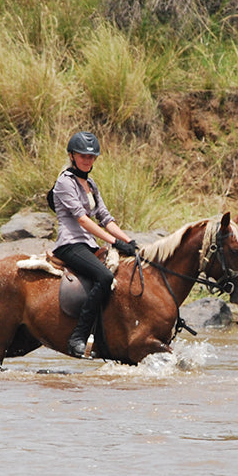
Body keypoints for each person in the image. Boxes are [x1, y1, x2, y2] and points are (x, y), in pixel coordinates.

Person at [51, 131, 139, 358]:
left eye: (91, 157)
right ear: (72, 156)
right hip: (70, 244)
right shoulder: (64, 182)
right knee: (105, 277)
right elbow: (81, 219)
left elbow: (106, 218)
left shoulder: (90, 183)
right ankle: (78, 337)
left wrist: (129, 242)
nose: (88, 160)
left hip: (88, 245)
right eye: (83, 156)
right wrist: (115, 242)